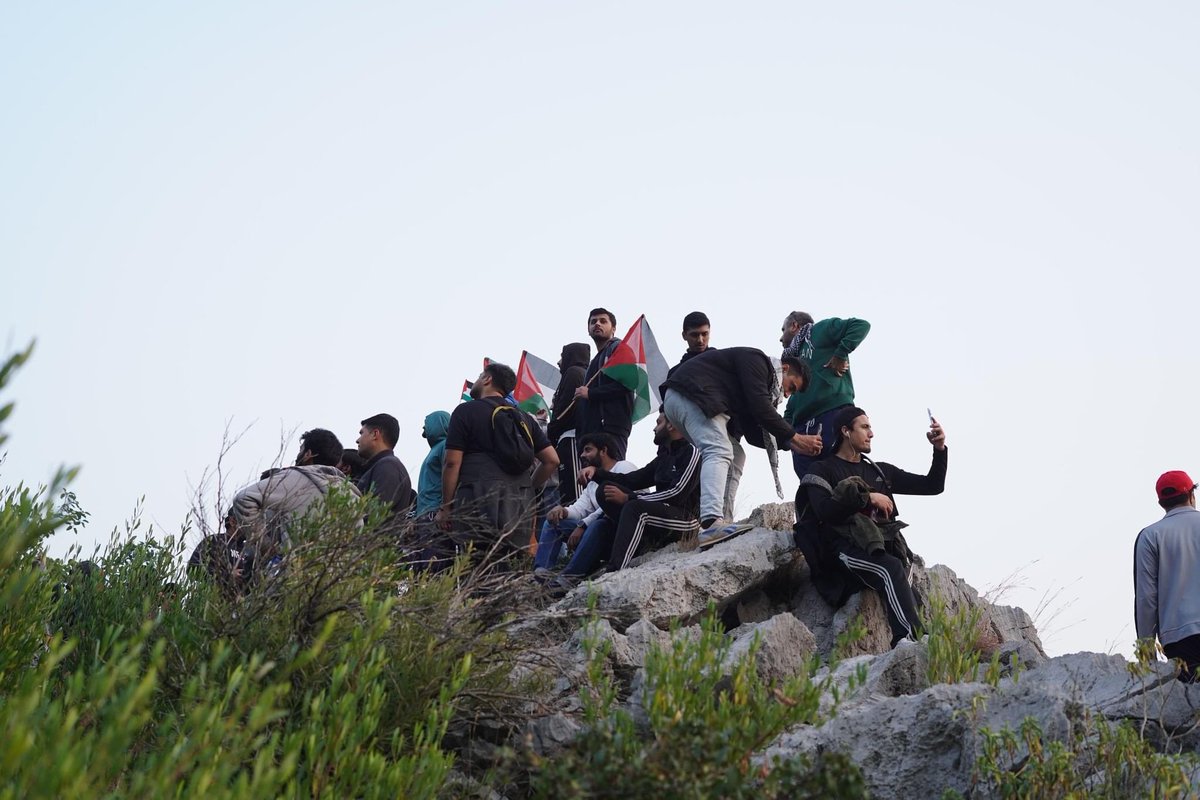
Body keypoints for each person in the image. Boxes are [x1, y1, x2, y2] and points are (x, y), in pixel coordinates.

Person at [797, 407, 947, 648]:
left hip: (880, 548)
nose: (872, 433)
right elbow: (824, 511)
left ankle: (917, 637)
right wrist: (867, 498)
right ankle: (909, 638)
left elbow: (933, 485)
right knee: (890, 568)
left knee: (896, 567)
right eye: (865, 427)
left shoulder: (880, 471)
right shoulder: (822, 470)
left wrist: (939, 449)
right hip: (841, 551)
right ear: (845, 431)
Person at [661, 347, 822, 545]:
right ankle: (711, 522)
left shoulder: (759, 385)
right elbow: (761, 408)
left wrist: (789, 443)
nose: (787, 395)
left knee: (736, 455)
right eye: (791, 387)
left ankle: (723, 522)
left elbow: (754, 432)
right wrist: (795, 437)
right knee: (719, 449)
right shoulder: (757, 362)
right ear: (785, 368)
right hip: (689, 395)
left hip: (685, 400)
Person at [548, 412, 699, 595]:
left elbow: (677, 493)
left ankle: (616, 570)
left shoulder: (691, 451)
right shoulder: (664, 457)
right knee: (606, 492)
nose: (654, 427)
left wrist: (629, 498)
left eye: (658, 422)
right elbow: (631, 480)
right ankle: (552, 573)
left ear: (672, 425)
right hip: (661, 517)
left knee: (635, 508)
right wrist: (596, 473)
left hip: (686, 520)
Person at [436, 362, 559, 556]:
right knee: (509, 566)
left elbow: (452, 462)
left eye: (479, 376)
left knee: (477, 565)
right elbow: (552, 460)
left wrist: (446, 507)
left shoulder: (465, 411)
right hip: (518, 505)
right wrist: (528, 488)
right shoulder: (523, 418)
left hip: (477, 498)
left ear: (487, 379)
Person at [228, 429, 362, 581]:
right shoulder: (352, 495)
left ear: (308, 454)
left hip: (292, 582)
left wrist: (265, 545)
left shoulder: (295, 478)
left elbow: (243, 499)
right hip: (335, 587)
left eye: (301, 449)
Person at [667, 310, 747, 522]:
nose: (700, 340)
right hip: (692, 439)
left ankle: (723, 521)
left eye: (705, 334)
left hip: (727, 431)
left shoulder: (720, 360)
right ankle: (710, 524)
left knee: (732, 464)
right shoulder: (676, 372)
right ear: (684, 335)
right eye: (694, 335)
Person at [779, 311, 872, 478]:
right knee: (810, 481)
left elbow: (860, 325)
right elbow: (791, 405)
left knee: (841, 473)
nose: (780, 338)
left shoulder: (818, 330)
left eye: (783, 329)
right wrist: (785, 435)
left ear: (794, 326)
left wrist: (840, 354)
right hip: (802, 427)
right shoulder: (794, 364)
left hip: (832, 411)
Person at [534, 432, 636, 573]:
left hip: (620, 537)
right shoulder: (593, 483)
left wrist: (584, 524)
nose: (582, 455)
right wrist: (563, 511)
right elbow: (580, 509)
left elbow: (609, 508)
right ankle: (541, 573)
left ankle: (569, 577)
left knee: (599, 524)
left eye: (588, 450)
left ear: (603, 451)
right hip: (594, 534)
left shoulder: (623, 467)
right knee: (553, 522)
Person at [1134, 471, 1200, 682]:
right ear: (1192, 495)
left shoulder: (1150, 536)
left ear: (1161, 503)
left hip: (1180, 639)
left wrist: (1147, 655)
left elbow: (1146, 598)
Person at [575, 308, 634, 460]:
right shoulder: (595, 361)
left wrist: (590, 393)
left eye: (603, 321)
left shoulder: (619, 349)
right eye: (593, 322)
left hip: (611, 429)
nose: (597, 324)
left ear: (613, 328)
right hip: (593, 432)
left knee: (612, 477)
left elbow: (627, 384)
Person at [548, 342, 591, 505]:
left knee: (574, 495)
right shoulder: (575, 373)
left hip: (572, 437)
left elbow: (565, 408)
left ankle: (574, 525)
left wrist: (551, 431)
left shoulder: (574, 373)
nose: (559, 362)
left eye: (562, 356)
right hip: (567, 438)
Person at [355, 413, 415, 519]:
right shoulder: (384, 465)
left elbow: (374, 517)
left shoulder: (388, 466)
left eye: (361, 433)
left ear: (375, 434)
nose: (358, 440)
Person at [413, 411, 451, 520]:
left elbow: (450, 473)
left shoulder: (445, 446)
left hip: (434, 513)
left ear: (438, 423)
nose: (424, 427)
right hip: (423, 513)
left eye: (427, 423)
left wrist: (443, 508)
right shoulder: (435, 450)